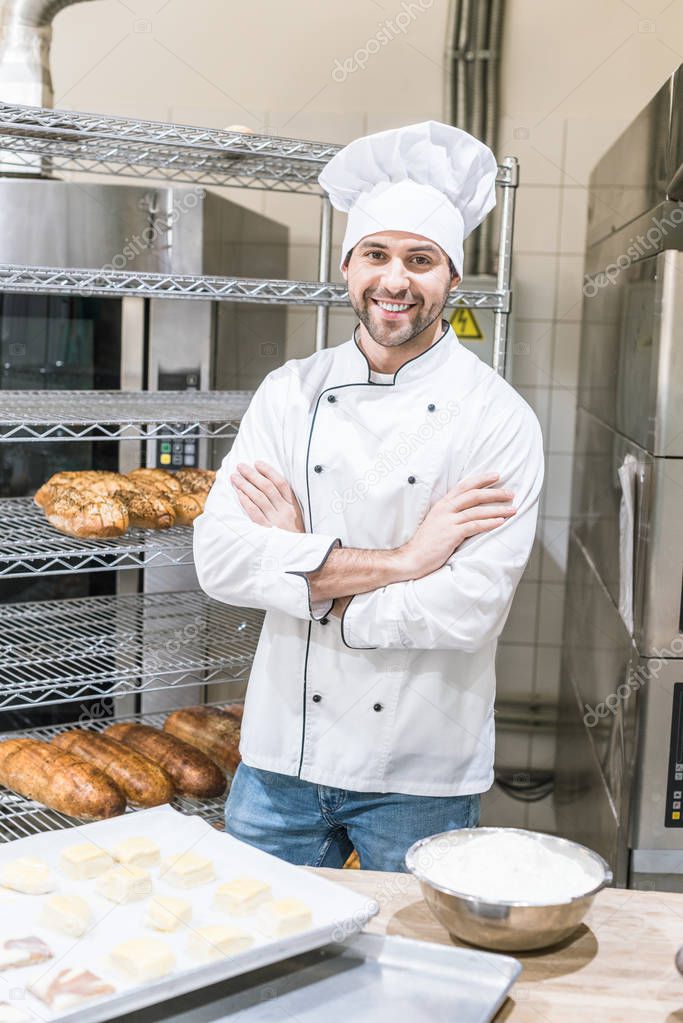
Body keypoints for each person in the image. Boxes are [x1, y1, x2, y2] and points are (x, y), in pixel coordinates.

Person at [193, 120, 545, 872]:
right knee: (259, 957)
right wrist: (409, 557)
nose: (394, 280)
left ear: (453, 279)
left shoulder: (496, 417)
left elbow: (468, 607)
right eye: (376, 255)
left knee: (411, 970)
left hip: (416, 767)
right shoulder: (289, 392)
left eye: (420, 260)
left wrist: (306, 577)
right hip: (279, 757)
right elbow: (221, 561)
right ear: (348, 266)